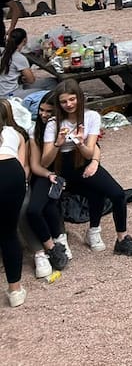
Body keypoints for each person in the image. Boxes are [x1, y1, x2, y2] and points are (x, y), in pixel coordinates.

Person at [42, 80, 132, 255]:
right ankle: (65, 237)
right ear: (59, 103)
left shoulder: (91, 117)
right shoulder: (53, 123)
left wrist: (80, 143)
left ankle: (121, 238)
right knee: (91, 192)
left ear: (80, 98)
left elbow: (89, 153)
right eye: (64, 101)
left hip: (83, 161)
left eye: (72, 99)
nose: (69, 104)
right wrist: (58, 143)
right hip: (62, 167)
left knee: (117, 194)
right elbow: (45, 161)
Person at [26, 94, 71, 279]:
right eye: (41, 110)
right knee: (34, 210)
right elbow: (38, 165)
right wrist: (49, 175)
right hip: (45, 173)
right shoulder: (34, 130)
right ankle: (51, 247)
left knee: (50, 205)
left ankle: (60, 239)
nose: (43, 115)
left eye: (49, 112)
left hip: (66, 170)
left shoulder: (67, 125)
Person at [1, 99, 30, 306]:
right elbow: (22, 167)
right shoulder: (16, 133)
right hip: (12, 173)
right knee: (9, 233)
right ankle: (15, 291)